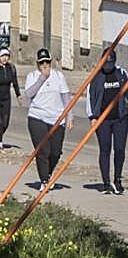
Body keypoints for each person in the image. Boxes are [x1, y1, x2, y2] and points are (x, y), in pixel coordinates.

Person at [87, 51, 128, 194]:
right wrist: (92, 117)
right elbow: (90, 97)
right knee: (105, 150)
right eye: (105, 63)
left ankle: (117, 180)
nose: (108, 66)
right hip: (102, 119)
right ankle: (106, 183)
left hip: (120, 118)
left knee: (119, 149)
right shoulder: (96, 76)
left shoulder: (121, 74)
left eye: (110, 63)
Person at [24, 48, 73, 190]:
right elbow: (29, 93)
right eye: (41, 63)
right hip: (37, 116)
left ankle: (48, 173)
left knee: (56, 152)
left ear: (51, 62)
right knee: (43, 150)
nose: (44, 65)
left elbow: (66, 97)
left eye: (47, 62)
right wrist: (42, 78)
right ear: (37, 64)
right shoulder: (32, 76)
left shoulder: (58, 76)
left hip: (57, 118)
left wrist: (69, 116)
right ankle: (44, 180)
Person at [0, 47, 20, 147]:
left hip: (6, 99)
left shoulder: (11, 68)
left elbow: (15, 82)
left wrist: (18, 95)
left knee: (5, 123)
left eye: (7, 56)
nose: (5, 58)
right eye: (3, 56)